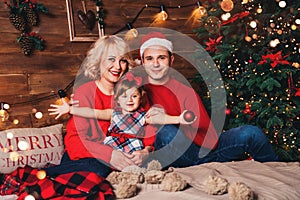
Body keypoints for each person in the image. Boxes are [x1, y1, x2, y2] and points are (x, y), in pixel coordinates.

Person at [138, 31, 279, 168]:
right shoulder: (137, 90)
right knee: (167, 132)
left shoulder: (186, 91)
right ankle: (212, 163)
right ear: (143, 62)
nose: (155, 64)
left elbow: (208, 137)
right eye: (150, 58)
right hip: (170, 152)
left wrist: (172, 119)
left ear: (171, 60)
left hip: (205, 151)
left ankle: (277, 171)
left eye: (162, 57)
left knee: (251, 133)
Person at [45, 35, 142, 178]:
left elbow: (143, 125)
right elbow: (74, 143)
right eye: (111, 59)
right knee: (99, 170)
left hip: (121, 153)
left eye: (122, 61)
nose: (117, 66)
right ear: (99, 61)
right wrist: (109, 155)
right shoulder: (85, 92)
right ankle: (43, 174)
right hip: (86, 155)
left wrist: (145, 152)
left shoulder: (131, 93)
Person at [49, 71, 194, 156]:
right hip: (114, 148)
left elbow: (161, 118)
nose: (130, 100)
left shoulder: (143, 115)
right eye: (125, 96)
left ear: (141, 96)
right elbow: (93, 112)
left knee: (141, 165)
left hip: (134, 149)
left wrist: (179, 118)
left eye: (134, 96)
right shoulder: (114, 113)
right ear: (117, 99)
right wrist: (71, 110)